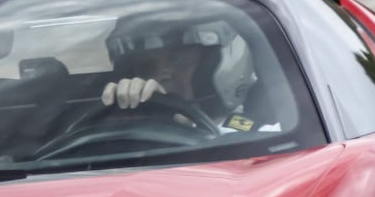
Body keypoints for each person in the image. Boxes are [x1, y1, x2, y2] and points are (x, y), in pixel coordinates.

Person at [98, 10, 262, 133]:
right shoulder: (121, 134)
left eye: (179, 60)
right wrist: (119, 121)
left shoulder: (259, 141)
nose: (162, 75)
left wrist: (181, 126)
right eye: (147, 65)